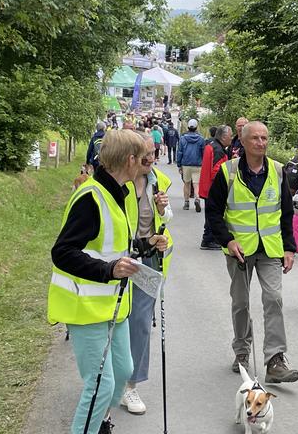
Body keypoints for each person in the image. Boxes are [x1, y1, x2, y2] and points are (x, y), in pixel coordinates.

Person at [48, 129, 158, 434]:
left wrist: (147, 246)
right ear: (129, 159)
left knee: (122, 371)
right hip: (85, 307)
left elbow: (114, 246)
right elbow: (62, 253)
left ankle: (100, 423)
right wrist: (108, 270)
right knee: (100, 384)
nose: (147, 161)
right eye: (142, 157)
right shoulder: (91, 197)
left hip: (112, 306)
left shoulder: (117, 192)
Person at [205, 121, 298, 384]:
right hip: (240, 251)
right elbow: (213, 212)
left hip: (270, 249)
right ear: (243, 142)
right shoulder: (228, 172)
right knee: (241, 303)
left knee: (274, 298)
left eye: (265, 138)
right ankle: (242, 352)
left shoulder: (279, 172)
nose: (261, 143)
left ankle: (275, 360)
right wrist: (228, 240)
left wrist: (289, 248)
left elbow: (287, 213)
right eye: (255, 138)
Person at [120, 132, 174, 415]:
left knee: (140, 322)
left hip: (148, 260)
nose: (151, 159)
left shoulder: (159, 182)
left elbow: (167, 220)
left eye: (154, 153)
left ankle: (131, 385)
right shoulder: (118, 182)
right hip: (117, 259)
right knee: (114, 319)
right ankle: (109, 377)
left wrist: (163, 211)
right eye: (145, 154)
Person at [198, 124, 231, 250]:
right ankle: (208, 239)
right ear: (223, 137)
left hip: (207, 187)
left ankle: (208, 239)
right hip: (213, 189)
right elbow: (217, 171)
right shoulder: (219, 150)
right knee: (213, 215)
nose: (231, 138)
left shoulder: (211, 145)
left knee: (210, 214)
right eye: (229, 135)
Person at [176, 118, 205, 212]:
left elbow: (180, 152)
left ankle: (186, 202)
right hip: (198, 164)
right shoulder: (201, 139)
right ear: (196, 127)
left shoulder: (183, 138)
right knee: (196, 184)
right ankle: (197, 199)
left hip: (186, 164)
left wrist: (179, 164)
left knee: (186, 183)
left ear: (188, 127)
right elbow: (203, 152)